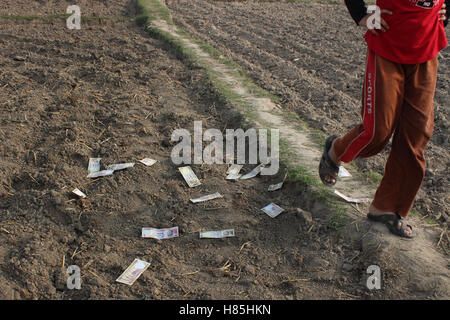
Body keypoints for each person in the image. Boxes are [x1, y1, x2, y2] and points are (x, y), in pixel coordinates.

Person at [319, 0, 449, 238]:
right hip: (388, 45)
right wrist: (360, 14)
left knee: (416, 135)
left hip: (427, 46)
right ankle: (336, 150)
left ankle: (386, 208)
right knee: (377, 131)